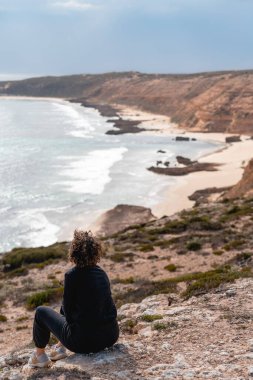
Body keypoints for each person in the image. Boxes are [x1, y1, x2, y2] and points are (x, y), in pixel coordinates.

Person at [28, 230, 119, 368]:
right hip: (110, 336)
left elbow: (69, 313)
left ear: (74, 253)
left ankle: (40, 356)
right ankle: (59, 348)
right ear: (96, 252)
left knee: (41, 312)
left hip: (83, 343)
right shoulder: (101, 273)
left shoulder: (72, 275)